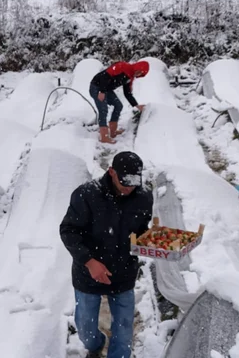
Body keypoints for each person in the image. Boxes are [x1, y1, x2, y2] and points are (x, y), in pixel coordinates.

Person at [60, 151, 153, 358]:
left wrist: (152, 241)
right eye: (124, 182)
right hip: (88, 273)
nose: (129, 188)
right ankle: (95, 345)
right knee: (86, 329)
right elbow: (68, 230)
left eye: (134, 182)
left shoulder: (144, 196)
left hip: (124, 271)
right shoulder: (86, 195)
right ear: (111, 172)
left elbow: (140, 229)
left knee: (123, 329)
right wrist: (89, 261)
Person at [89, 61, 149, 144]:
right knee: (103, 109)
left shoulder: (130, 78)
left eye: (141, 74)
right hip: (96, 86)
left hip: (106, 89)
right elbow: (105, 76)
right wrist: (101, 91)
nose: (138, 74)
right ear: (137, 67)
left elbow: (127, 93)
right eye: (139, 71)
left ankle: (113, 131)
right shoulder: (122, 67)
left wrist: (136, 105)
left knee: (118, 105)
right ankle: (104, 137)